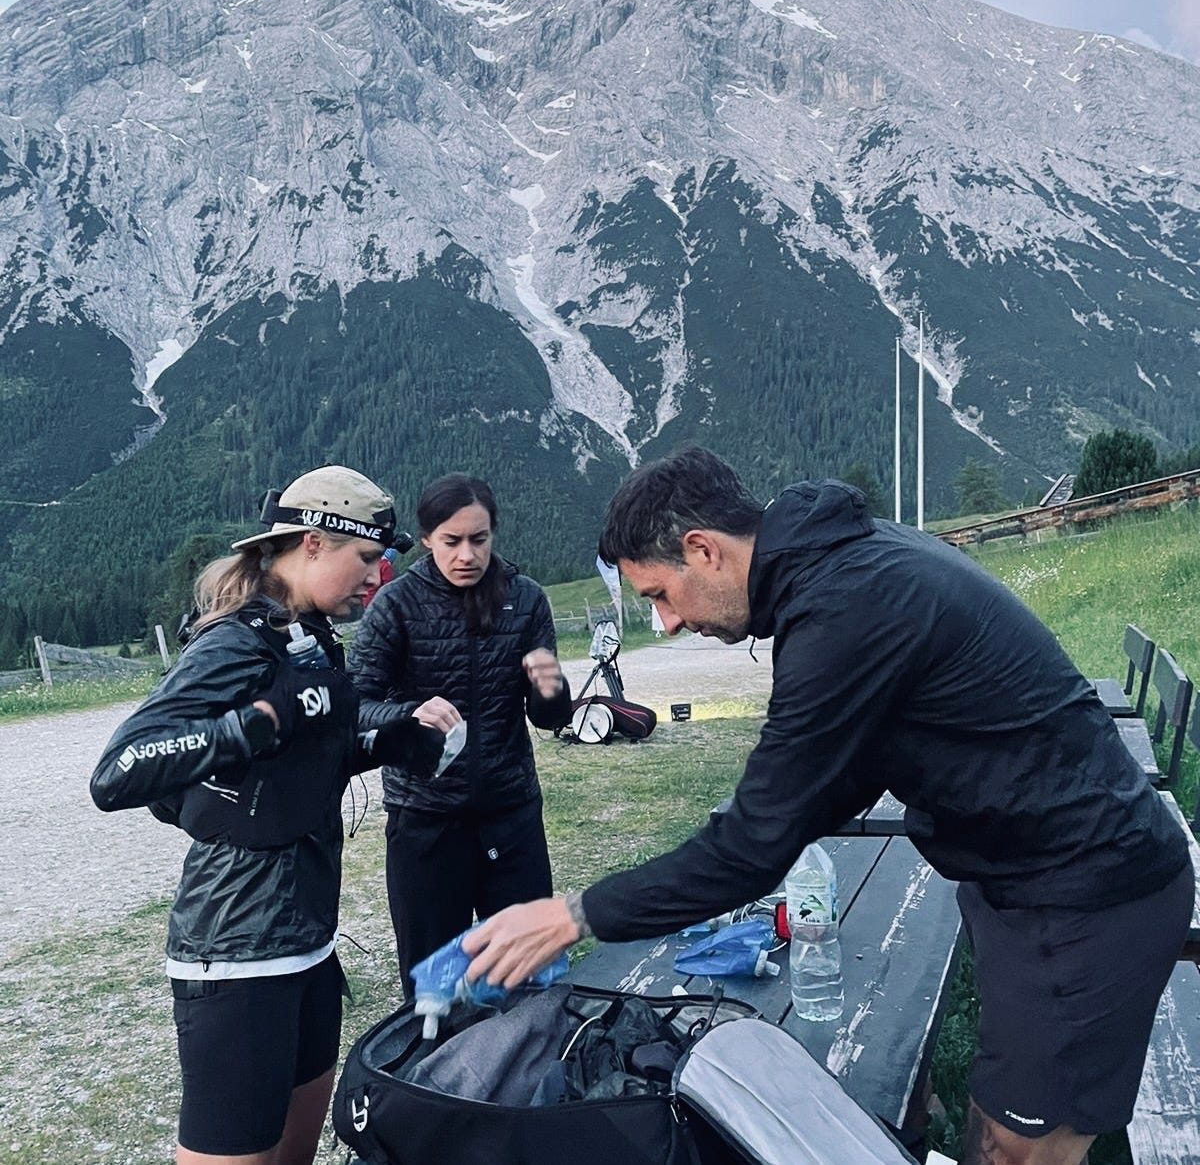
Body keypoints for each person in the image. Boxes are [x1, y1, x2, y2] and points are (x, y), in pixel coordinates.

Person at [463, 446, 1192, 1165]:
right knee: (993, 1116)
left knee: (1023, 1145)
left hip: (1087, 892)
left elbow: (752, 848)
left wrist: (574, 914)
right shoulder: (839, 565)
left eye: (659, 594)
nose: (669, 624)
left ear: (703, 550)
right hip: (1022, 879)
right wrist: (760, 824)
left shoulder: (844, 606)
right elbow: (838, 773)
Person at [90, 465, 452, 1165]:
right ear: (314, 542)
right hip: (235, 955)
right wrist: (256, 720)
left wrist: (388, 740)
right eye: (368, 559)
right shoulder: (235, 643)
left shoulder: (308, 635)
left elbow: (299, 765)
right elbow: (117, 771)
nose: (377, 579)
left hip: (309, 944)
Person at [348, 472, 572, 985]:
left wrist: (552, 688)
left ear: (494, 533)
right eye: (452, 541)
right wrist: (408, 713)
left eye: (479, 539)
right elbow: (354, 706)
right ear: (427, 539)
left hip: (510, 813)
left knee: (527, 972)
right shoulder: (395, 606)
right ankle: (431, 1064)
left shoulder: (527, 599)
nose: (467, 555)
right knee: (432, 982)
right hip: (425, 820)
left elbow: (549, 720)